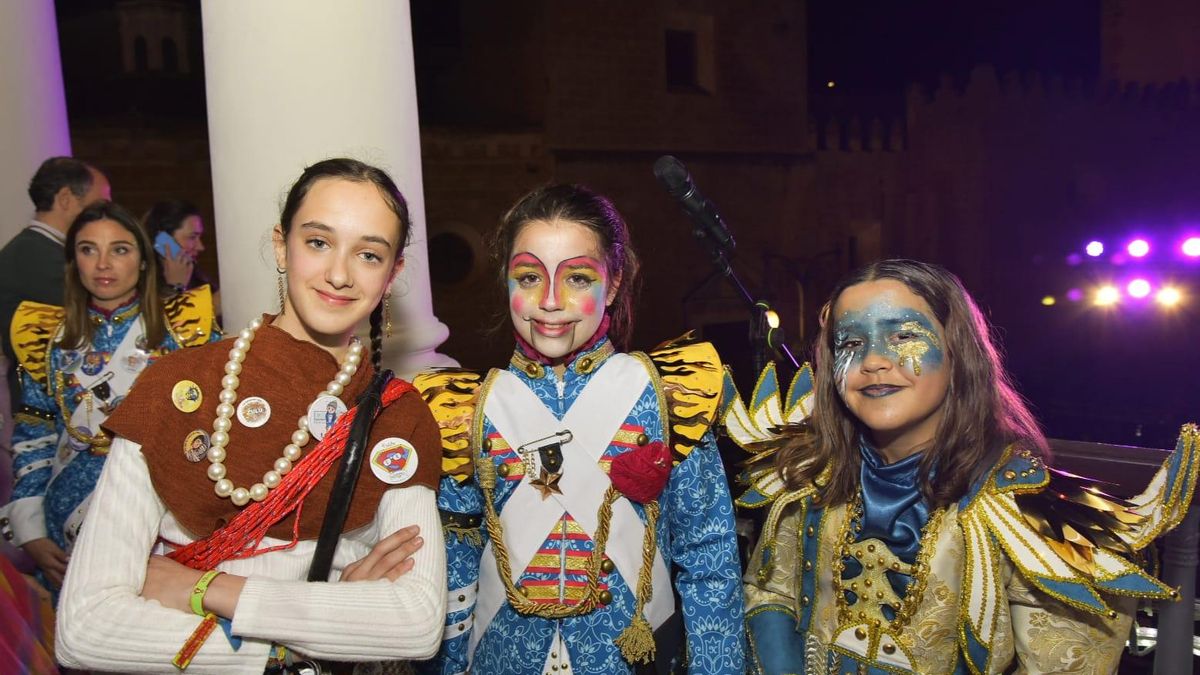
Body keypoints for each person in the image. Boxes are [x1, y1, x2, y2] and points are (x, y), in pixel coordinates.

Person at [55, 158, 447, 673]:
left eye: (368, 255)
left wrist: (204, 588)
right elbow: (85, 627)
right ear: (282, 247)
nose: (338, 274)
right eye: (318, 242)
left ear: (392, 273)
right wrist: (296, 648)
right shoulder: (176, 386)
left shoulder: (397, 416)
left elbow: (415, 621)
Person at [730, 259, 1198, 674]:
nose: (873, 360)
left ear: (958, 352)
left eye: (904, 336)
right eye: (850, 342)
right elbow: (771, 595)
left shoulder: (1027, 513)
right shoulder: (809, 475)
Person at [416, 184, 744, 674]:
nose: (549, 301)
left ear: (612, 285)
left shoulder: (665, 396)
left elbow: (709, 559)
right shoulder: (468, 409)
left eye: (577, 278)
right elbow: (455, 562)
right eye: (528, 277)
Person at [3, 201, 219, 590]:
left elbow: (218, 427)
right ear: (74, 262)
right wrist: (31, 531)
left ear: (141, 260)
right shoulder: (48, 338)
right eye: (88, 249)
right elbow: (34, 435)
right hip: (66, 528)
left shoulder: (187, 330)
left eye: (119, 249)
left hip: (160, 523)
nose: (103, 263)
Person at [0, 158, 110, 405]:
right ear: (66, 199)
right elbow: (97, 323)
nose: (106, 215)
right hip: (41, 407)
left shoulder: (39, 251)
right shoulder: (36, 257)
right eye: (100, 204)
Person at [143, 199, 222, 316]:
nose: (201, 247)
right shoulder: (139, 284)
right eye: (192, 237)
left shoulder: (199, 279)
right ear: (163, 240)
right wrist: (175, 287)